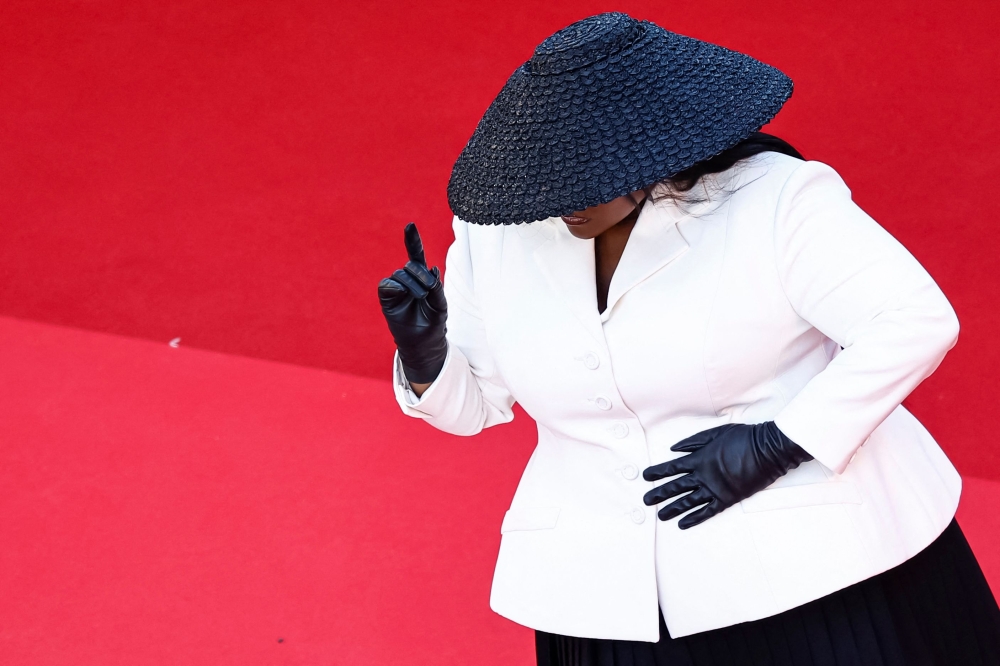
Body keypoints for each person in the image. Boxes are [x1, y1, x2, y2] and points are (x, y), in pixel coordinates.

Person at [377, 12, 1000, 666]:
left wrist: (781, 442)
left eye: (586, 177)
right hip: (605, 604)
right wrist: (426, 357)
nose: (564, 200)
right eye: (550, 174)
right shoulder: (498, 232)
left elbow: (913, 319)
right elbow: (474, 408)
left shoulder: (776, 199)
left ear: (650, 147)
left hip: (820, 579)